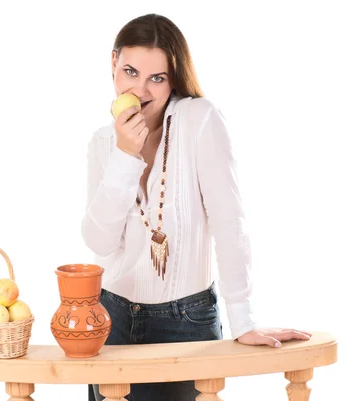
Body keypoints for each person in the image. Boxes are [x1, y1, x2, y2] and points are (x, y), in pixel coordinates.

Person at [82, 13, 312, 401]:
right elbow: (99, 242)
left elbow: (229, 223)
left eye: (157, 78)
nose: (140, 90)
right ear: (113, 64)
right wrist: (125, 156)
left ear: (174, 78)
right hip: (111, 318)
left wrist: (243, 319)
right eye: (130, 72)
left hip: (185, 321)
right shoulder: (103, 142)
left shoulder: (200, 120)